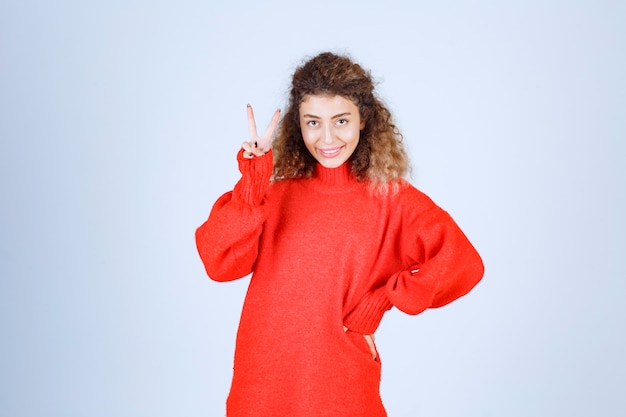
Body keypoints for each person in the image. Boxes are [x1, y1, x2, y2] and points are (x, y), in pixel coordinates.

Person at [195, 51, 484, 417]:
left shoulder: (392, 200)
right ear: (297, 126)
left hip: (341, 383)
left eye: (341, 120)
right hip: (262, 382)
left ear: (363, 119)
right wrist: (253, 182)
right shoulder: (275, 194)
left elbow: (463, 263)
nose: (327, 137)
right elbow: (218, 262)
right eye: (312, 122)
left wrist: (381, 300)